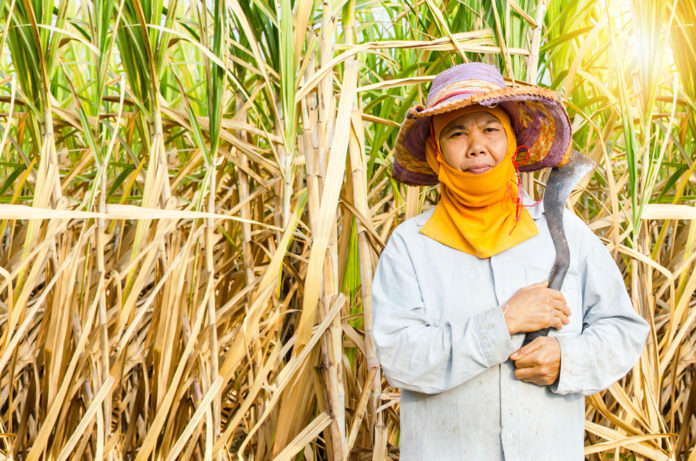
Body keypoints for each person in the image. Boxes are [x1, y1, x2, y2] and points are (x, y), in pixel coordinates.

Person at [371, 63, 649, 460]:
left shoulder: (560, 228)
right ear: (435, 151)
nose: (476, 145)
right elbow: (400, 359)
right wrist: (504, 323)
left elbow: (623, 329)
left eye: (490, 128)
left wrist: (566, 360)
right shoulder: (411, 248)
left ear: (513, 140)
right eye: (455, 132)